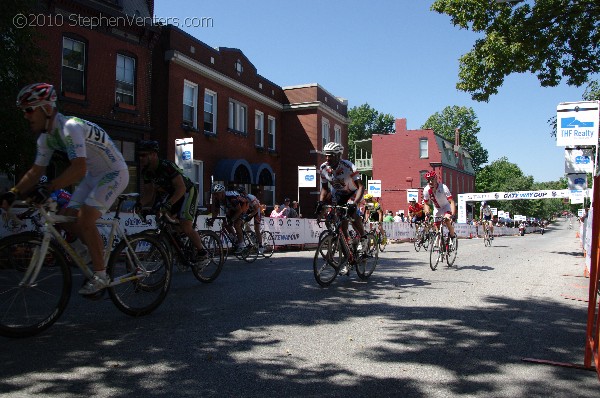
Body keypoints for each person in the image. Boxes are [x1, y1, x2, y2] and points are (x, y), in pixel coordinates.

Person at [0, 83, 129, 296]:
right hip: (92, 176)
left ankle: (101, 274)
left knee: (85, 218)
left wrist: (49, 187)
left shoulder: (70, 127)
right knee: (67, 217)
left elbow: (78, 167)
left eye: (30, 109)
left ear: (47, 109)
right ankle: (92, 257)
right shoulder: (46, 138)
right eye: (24, 111)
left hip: (113, 172)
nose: (26, 115)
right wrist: (13, 192)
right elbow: (35, 171)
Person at [137, 140, 207, 260]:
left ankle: (202, 252)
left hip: (186, 192)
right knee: (163, 220)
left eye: (144, 155)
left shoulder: (166, 166)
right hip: (172, 194)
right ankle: (180, 244)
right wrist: (140, 204)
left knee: (186, 225)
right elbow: (149, 193)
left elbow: (181, 188)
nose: (141, 158)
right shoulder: (146, 172)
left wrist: (167, 204)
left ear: (154, 154)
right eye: (139, 155)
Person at [315, 142, 367, 275]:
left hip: (352, 193)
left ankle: (364, 238)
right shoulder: (323, 168)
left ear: (338, 155)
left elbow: (361, 186)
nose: (327, 158)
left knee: (352, 215)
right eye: (326, 155)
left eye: (331, 156)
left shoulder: (348, 166)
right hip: (338, 195)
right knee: (341, 229)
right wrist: (321, 202)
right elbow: (325, 188)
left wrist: (355, 204)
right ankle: (349, 259)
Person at [207, 183, 248, 253]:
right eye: (214, 194)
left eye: (217, 194)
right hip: (232, 208)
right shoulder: (217, 199)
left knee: (236, 224)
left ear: (222, 193)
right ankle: (235, 239)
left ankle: (242, 245)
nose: (215, 196)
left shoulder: (231, 197)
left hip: (243, 206)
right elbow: (216, 211)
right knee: (225, 224)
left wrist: (232, 220)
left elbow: (239, 210)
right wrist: (212, 220)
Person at [422, 170, 457, 244]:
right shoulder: (426, 190)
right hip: (437, 208)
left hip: (446, 206)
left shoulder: (443, 187)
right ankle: (440, 242)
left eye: (432, 179)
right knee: (437, 227)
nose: (430, 182)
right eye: (428, 180)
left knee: (447, 221)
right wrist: (427, 213)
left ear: (435, 179)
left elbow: (451, 201)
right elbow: (426, 204)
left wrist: (452, 214)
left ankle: (452, 235)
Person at [237, 186, 264, 254]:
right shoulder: (241, 198)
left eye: (240, 194)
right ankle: (251, 236)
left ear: (244, 193)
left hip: (257, 211)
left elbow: (256, 209)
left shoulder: (250, 197)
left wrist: (249, 216)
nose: (239, 195)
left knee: (256, 228)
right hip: (250, 210)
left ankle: (261, 245)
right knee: (242, 223)